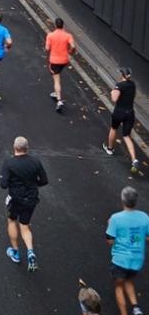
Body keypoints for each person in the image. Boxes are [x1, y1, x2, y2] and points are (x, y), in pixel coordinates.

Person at [0, 136, 48, 272]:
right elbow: (44, 180)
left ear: (14, 148)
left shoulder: (9, 163)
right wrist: (33, 185)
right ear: (27, 148)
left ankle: (15, 253)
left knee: (12, 221)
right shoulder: (35, 162)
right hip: (31, 199)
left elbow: (3, 184)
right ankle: (30, 251)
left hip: (16, 199)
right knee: (25, 226)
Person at [107, 186, 149, 315]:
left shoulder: (115, 218)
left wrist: (110, 225)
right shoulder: (145, 217)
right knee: (128, 279)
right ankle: (136, 309)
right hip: (137, 260)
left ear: (122, 200)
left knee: (119, 285)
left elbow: (110, 241)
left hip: (121, 260)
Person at [103, 67, 140, 174]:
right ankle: (134, 160)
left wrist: (112, 92)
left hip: (119, 112)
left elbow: (114, 99)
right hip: (130, 113)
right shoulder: (132, 85)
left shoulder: (119, 85)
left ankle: (110, 149)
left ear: (122, 75)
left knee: (114, 128)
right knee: (126, 135)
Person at [45, 17, 75, 112]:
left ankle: (59, 100)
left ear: (55, 25)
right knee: (58, 74)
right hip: (64, 60)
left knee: (56, 79)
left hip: (54, 61)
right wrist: (70, 52)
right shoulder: (68, 35)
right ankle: (56, 92)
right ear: (63, 25)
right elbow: (73, 46)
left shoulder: (50, 35)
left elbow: (47, 48)